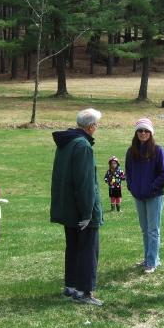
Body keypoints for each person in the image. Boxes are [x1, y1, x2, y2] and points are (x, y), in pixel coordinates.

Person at [50, 109, 104, 306]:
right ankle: (83, 291)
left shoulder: (66, 143)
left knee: (73, 246)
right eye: (97, 125)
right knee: (88, 248)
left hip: (68, 207)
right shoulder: (82, 146)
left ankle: (70, 287)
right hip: (81, 209)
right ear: (91, 126)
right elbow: (85, 183)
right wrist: (88, 212)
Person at [124, 118, 164, 274]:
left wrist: (152, 187)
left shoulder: (158, 151)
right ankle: (149, 257)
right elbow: (128, 173)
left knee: (153, 230)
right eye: (140, 130)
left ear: (151, 133)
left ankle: (152, 261)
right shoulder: (131, 152)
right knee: (145, 229)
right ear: (136, 133)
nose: (143, 133)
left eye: (146, 131)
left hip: (154, 196)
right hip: (139, 196)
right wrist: (132, 188)